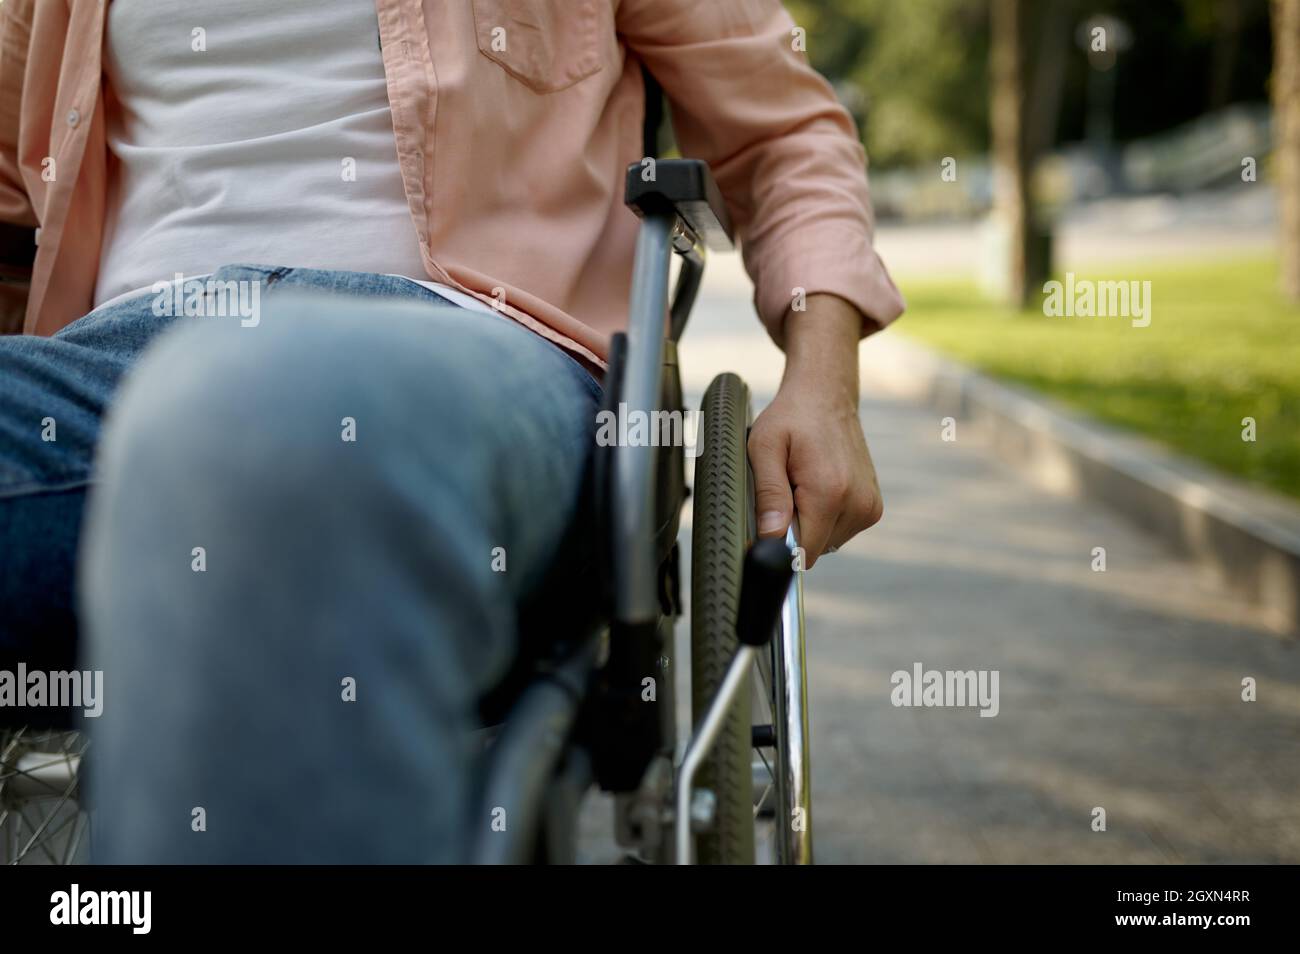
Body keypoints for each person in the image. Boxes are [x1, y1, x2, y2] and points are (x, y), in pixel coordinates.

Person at [0, 0, 904, 861]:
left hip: (474, 344)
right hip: (111, 363)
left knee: (268, 411)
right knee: (230, 412)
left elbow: (784, 137)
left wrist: (825, 384)